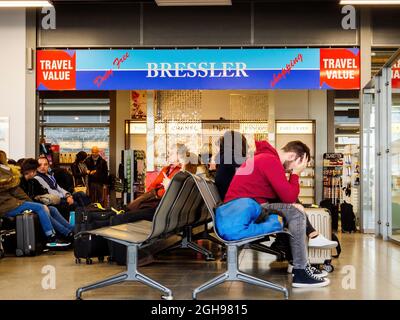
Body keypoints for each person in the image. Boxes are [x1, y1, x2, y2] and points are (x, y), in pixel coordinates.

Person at [224, 140, 334, 288]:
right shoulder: (270, 161)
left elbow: (285, 196)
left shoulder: (265, 158)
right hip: (243, 210)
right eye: (299, 164)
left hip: (245, 207)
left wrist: (292, 202)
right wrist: (295, 174)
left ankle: (298, 263)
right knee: (295, 213)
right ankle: (301, 271)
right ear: (291, 156)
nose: (291, 170)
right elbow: (288, 197)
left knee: (292, 210)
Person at [0, 151, 72, 246]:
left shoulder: (10, 177)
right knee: (41, 208)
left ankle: (70, 230)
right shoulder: (8, 175)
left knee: (50, 209)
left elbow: (20, 194)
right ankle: (53, 237)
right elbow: (18, 194)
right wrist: (36, 205)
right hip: (8, 206)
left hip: (11, 204)